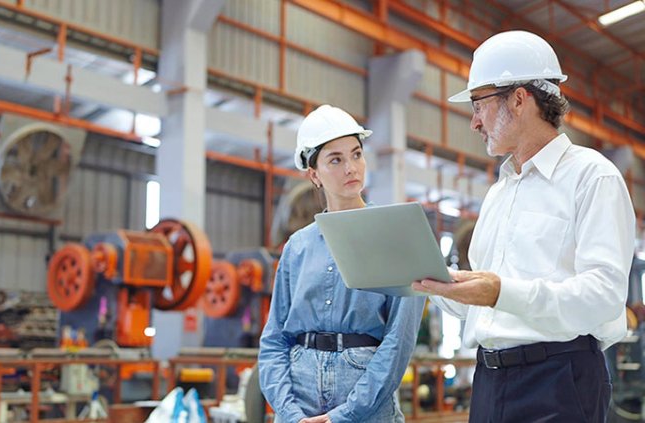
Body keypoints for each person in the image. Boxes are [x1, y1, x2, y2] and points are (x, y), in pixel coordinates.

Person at [412, 30, 636, 422]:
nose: (474, 122)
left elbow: (602, 296)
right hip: (490, 379)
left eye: (479, 105)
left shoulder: (592, 177)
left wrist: (500, 292)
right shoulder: (501, 192)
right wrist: (432, 283)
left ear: (519, 99)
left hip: (558, 380)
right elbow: (485, 306)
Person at [259, 104, 425, 423]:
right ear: (314, 174)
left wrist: (347, 414)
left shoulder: (396, 237)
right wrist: (290, 413)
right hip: (300, 393)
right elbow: (275, 338)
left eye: (357, 154)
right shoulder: (297, 248)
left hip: (365, 397)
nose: (351, 167)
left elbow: (398, 340)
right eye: (336, 159)